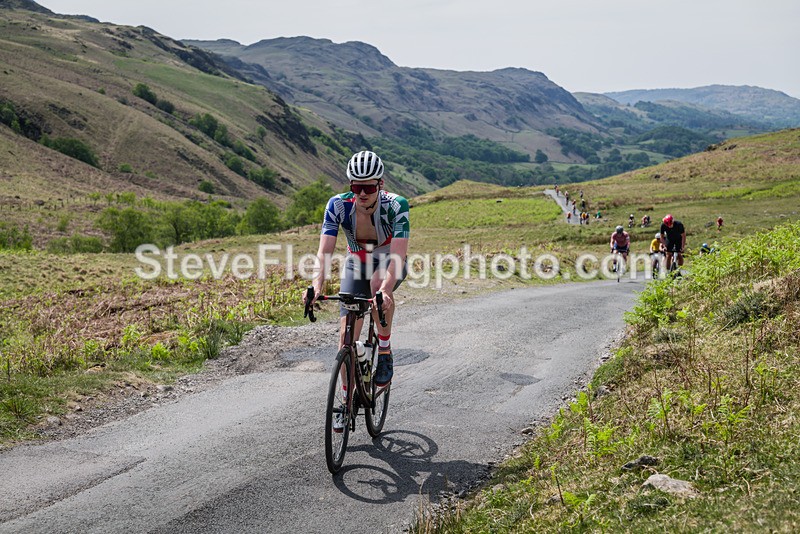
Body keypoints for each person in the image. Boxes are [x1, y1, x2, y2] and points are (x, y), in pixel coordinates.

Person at [304, 150, 409, 410]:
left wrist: (384, 290)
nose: (362, 194)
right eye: (357, 187)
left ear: (380, 185)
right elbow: (325, 251)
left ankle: (384, 351)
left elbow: (397, 257)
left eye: (369, 187)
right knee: (345, 337)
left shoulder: (396, 205)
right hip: (357, 261)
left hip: (388, 259)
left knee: (376, 287)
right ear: (351, 185)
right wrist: (317, 286)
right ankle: (346, 401)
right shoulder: (338, 205)